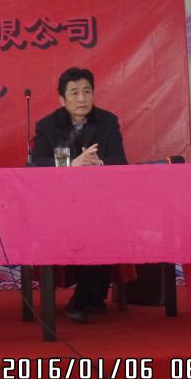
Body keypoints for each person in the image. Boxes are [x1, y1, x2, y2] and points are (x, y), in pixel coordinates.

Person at [31, 67, 127, 323]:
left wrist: (99, 163)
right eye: (74, 93)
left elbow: (120, 160)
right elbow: (37, 163)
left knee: (102, 228)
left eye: (87, 92)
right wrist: (72, 164)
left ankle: (82, 299)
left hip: (100, 202)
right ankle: (91, 297)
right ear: (62, 99)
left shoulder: (107, 121)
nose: (82, 98)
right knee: (78, 229)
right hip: (61, 203)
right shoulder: (47, 126)